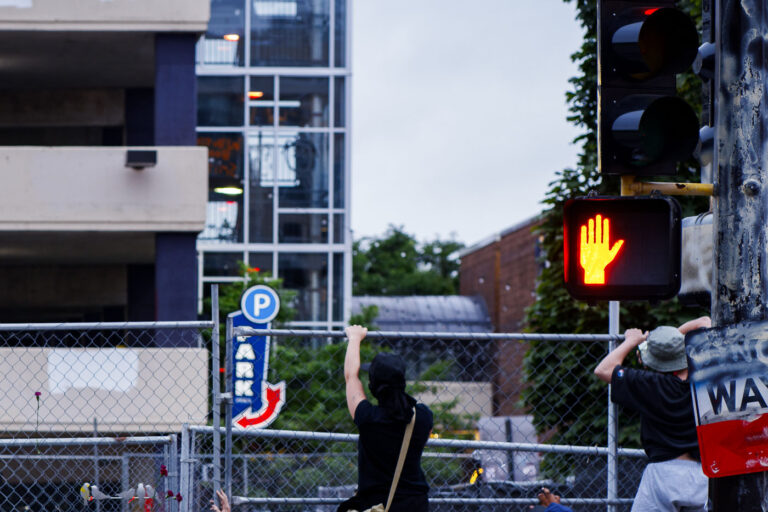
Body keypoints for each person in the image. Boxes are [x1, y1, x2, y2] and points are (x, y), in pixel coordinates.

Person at [594, 317, 711, 512]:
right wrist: (673, 340)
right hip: (701, 474)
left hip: (662, 475)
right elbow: (706, 321)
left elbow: (603, 369)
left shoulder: (649, 384)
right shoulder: (705, 378)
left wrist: (632, 341)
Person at [338, 325, 433, 512]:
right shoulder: (423, 416)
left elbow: (351, 377)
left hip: (376, 505)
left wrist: (355, 338)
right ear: (403, 381)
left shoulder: (367, 418)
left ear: (372, 385)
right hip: (416, 505)